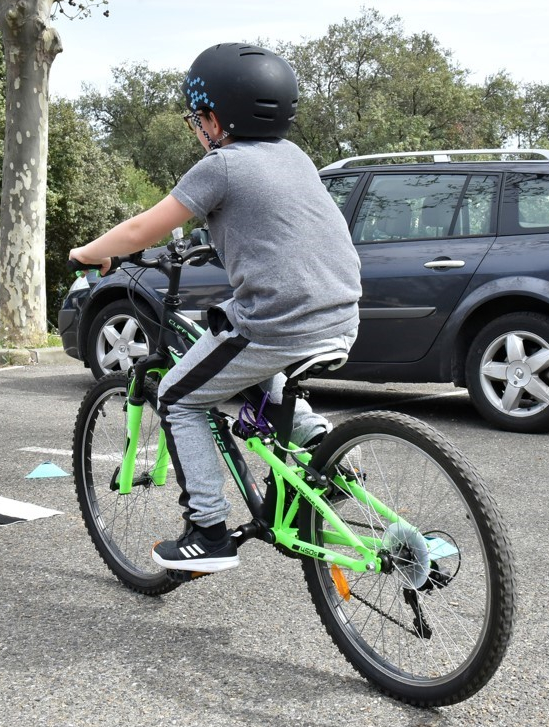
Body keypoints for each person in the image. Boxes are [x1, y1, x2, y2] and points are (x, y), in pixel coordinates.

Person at [69, 43, 361, 573]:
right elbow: (275, 227)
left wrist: (92, 253)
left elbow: (141, 229)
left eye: (196, 117)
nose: (196, 128)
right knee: (250, 376)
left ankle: (208, 530)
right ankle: (329, 454)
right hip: (340, 315)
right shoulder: (295, 157)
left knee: (179, 395)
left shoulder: (220, 166)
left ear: (215, 118)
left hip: (276, 323)